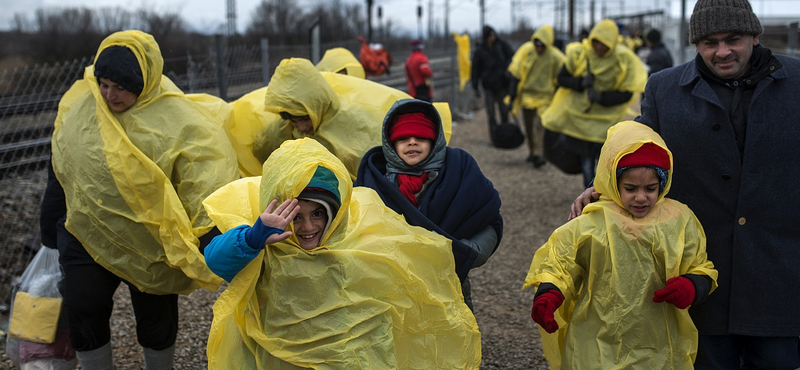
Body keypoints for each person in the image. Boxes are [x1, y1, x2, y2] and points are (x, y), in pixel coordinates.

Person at [569, 0, 800, 368]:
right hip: (697, 273)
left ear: (754, 36)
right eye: (710, 42)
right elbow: (635, 153)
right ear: (695, 43)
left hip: (779, 273)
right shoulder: (664, 88)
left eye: (733, 39)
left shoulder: (796, 82)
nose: (722, 51)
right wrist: (601, 189)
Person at [39, 30, 240, 370]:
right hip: (86, 229)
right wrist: (49, 226)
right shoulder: (84, 107)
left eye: (120, 88)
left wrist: (210, 237)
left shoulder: (180, 120)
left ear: (144, 83)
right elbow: (64, 163)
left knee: (155, 314)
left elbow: (203, 177)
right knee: (82, 303)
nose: (108, 95)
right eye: (103, 83)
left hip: (150, 242)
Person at [202, 138, 481, 369]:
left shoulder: (356, 242)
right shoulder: (268, 246)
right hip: (278, 357)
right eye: (296, 217)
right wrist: (252, 238)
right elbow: (215, 260)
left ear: (335, 213)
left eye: (319, 214)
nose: (308, 227)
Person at [524, 121, 718, 369]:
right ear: (611, 182)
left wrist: (692, 284)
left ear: (663, 183)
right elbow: (561, 262)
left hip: (658, 339)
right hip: (597, 337)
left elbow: (701, 265)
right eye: (630, 188)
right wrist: (550, 293)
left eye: (651, 188)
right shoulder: (591, 222)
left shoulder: (680, 220)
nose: (640, 197)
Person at [355, 99, 503, 310]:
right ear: (390, 143)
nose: (412, 142)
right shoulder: (374, 179)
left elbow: (488, 218)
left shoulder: (459, 171)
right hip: (388, 287)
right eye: (403, 138)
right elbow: (354, 225)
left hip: (447, 281)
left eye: (421, 137)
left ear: (435, 140)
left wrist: (463, 253)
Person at [227, 58, 453, 178]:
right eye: (293, 121)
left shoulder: (354, 119)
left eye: (304, 117)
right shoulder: (282, 130)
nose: (302, 127)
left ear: (315, 104)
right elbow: (260, 150)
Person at [541, 19, 647, 187]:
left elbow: (627, 93)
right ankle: (591, 194)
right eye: (596, 42)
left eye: (603, 43)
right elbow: (562, 78)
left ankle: (604, 193)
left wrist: (602, 98)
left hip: (607, 122)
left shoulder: (623, 58)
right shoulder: (580, 53)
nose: (598, 48)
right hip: (581, 121)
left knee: (606, 161)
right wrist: (581, 83)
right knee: (587, 161)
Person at [507, 25, 565, 168]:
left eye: (542, 45)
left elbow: (562, 78)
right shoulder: (527, 51)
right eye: (537, 45)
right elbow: (516, 73)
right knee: (528, 127)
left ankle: (539, 154)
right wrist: (512, 94)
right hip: (527, 96)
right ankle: (533, 151)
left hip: (545, 98)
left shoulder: (556, 57)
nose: (539, 48)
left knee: (540, 127)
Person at [471, 25, 515, 136]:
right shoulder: (480, 50)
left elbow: (513, 57)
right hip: (488, 86)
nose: (492, 37)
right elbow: (475, 69)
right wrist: (475, 85)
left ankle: (505, 134)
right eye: (490, 35)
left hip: (501, 84)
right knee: (491, 113)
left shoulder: (501, 45)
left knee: (504, 110)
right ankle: (494, 135)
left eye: (493, 35)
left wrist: (507, 69)